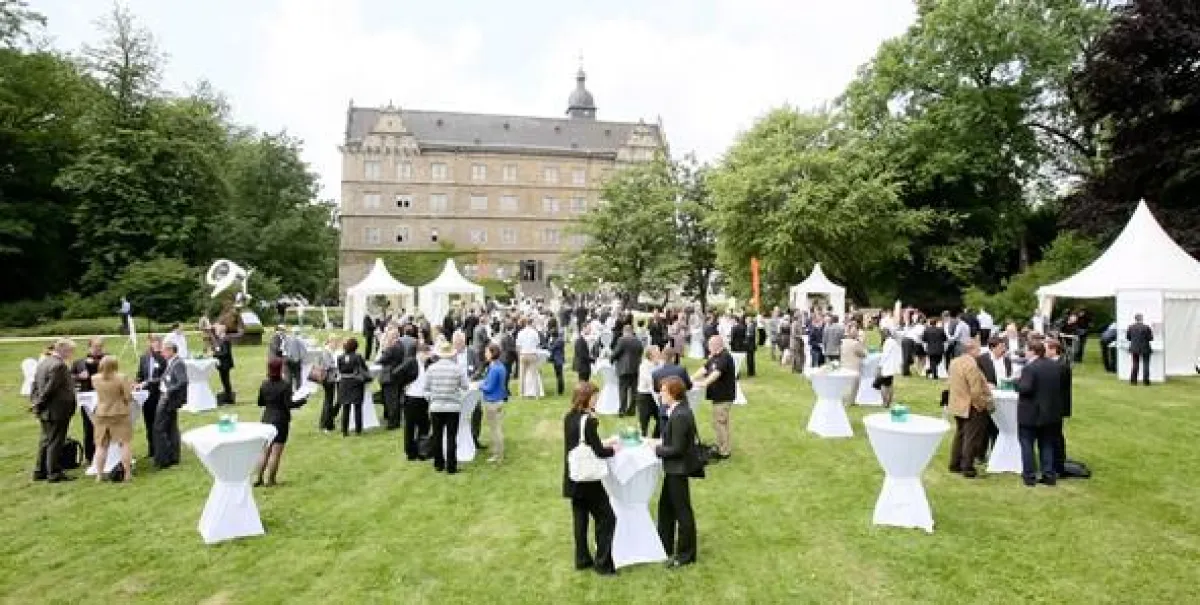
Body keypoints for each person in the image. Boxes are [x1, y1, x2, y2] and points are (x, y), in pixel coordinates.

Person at [562, 382, 619, 575]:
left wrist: (601, 442)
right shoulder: (589, 420)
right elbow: (599, 451)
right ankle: (603, 564)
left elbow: (581, 443)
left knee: (580, 519)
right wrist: (613, 449)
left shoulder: (568, 418)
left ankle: (582, 559)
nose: (597, 400)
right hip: (589, 479)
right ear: (586, 398)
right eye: (595, 397)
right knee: (607, 518)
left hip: (573, 476)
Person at [650, 376, 699, 568]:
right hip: (673, 469)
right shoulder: (677, 411)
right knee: (665, 509)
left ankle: (686, 555)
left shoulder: (679, 415)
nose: (660, 393)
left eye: (663, 390)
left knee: (682, 512)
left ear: (673, 393)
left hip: (678, 470)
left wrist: (656, 449)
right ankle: (665, 545)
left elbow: (677, 449)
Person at [1015, 342, 1064, 486]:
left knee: (1027, 444)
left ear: (1032, 351)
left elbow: (1026, 388)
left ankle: (1029, 476)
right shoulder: (1055, 366)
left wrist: (1016, 383)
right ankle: (1048, 475)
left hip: (1031, 413)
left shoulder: (1030, 368)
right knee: (1046, 444)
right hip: (1050, 413)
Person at [32, 339, 78, 482]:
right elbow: (50, 389)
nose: (71, 354)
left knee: (45, 439)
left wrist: (35, 402)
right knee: (56, 441)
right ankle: (54, 472)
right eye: (70, 351)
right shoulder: (59, 366)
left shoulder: (43, 362)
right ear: (63, 350)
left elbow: (34, 385)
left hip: (46, 409)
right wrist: (39, 403)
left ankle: (40, 471)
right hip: (57, 409)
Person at [947, 340, 992, 478]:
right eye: (977, 349)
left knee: (960, 434)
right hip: (970, 405)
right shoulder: (971, 365)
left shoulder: (954, 362)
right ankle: (967, 467)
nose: (979, 352)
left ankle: (955, 463)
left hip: (957, 403)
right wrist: (981, 405)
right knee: (971, 438)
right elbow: (975, 390)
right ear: (971, 350)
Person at [426, 340, 469, 474]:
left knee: (437, 436)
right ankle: (451, 466)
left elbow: (426, 388)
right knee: (451, 437)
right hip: (452, 407)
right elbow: (465, 386)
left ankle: (438, 464)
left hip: (436, 406)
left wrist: (431, 399)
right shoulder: (457, 369)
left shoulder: (431, 368)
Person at [90, 355, 135, 482]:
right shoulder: (121, 378)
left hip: (102, 413)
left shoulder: (94, 378)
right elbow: (128, 396)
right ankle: (127, 473)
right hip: (119, 413)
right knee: (124, 443)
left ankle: (99, 474)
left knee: (101, 445)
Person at [255, 358, 297, 487]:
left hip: (266, 418)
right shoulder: (285, 385)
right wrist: (301, 401)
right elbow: (289, 404)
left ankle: (259, 478)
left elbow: (260, 403)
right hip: (280, 420)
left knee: (265, 451)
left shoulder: (264, 384)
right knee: (275, 452)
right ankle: (270, 480)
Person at [694, 335, 736, 461]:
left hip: (723, 396)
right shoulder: (715, 357)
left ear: (716, 345)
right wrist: (690, 379)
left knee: (720, 423)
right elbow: (704, 368)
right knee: (720, 422)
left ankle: (724, 451)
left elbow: (716, 374)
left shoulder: (724, 357)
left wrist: (703, 383)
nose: (708, 348)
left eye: (709, 346)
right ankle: (722, 445)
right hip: (719, 396)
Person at [155, 341, 188, 469]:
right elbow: (164, 379)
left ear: (170, 350)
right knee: (171, 428)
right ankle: (172, 456)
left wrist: (169, 391)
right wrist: (147, 382)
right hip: (166, 397)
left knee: (160, 428)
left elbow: (183, 381)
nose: (161, 353)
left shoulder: (178, 363)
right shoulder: (172, 362)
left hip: (168, 399)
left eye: (163, 350)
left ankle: (164, 458)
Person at [72, 338, 105, 464]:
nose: (98, 350)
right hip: (87, 397)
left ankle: (103, 452)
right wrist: (79, 376)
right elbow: (70, 376)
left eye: (100, 347)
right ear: (89, 347)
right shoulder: (79, 362)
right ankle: (90, 455)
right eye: (95, 347)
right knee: (88, 426)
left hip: (103, 396)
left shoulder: (105, 360)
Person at [1045, 339, 1073, 477]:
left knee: (1055, 435)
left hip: (1057, 407)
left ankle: (1058, 464)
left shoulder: (1060, 366)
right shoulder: (1057, 364)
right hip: (1056, 406)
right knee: (1054, 435)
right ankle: (1056, 462)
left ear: (1053, 350)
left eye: (1046, 349)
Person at [135, 335, 166, 459]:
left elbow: (164, 377)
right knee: (148, 423)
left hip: (159, 394)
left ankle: (161, 449)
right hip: (146, 396)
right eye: (154, 342)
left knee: (159, 423)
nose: (156, 345)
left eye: (159, 342)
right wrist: (137, 382)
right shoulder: (144, 358)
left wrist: (148, 382)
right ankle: (151, 449)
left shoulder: (164, 358)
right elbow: (140, 374)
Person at [479, 343, 508, 463]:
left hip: (492, 402)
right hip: (498, 400)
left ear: (492, 353)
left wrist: (480, 385)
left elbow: (489, 387)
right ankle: (497, 452)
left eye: (487, 352)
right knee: (497, 428)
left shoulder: (495, 368)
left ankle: (498, 455)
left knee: (495, 429)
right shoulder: (499, 365)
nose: (485, 354)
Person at [337, 338, 371, 437]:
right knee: (357, 407)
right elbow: (364, 369)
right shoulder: (358, 357)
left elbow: (340, 369)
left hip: (344, 383)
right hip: (356, 383)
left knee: (346, 408)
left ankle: (344, 431)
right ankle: (358, 430)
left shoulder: (340, 357)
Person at [404, 345, 432, 461]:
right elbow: (397, 373)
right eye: (426, 354)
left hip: (423, 399)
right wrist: (405, 384)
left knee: (424, 425)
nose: (427, 357)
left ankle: (422, 450)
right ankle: (410, 452)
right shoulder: (411, 362)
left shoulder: (426, 364)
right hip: (412, 398)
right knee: (410, 426)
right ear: (420, 353)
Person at [610, 325, 644, 418]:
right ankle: (632, 410)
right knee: (634, 391)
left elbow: (616, 352)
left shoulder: (622, 340)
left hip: (624, 369)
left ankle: (622, 410)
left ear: (625, 331)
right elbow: (641, 352)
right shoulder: (638, 341)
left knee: (623, 390)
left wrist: (611, 359)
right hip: (635, 368)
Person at [377, 330, 408, 431]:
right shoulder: (401, 345)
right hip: (397, 376)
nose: (387, 338)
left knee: (391, 401)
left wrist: (384, 348)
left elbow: (381, 360)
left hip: (390, 376)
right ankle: (396, 421)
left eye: (389, 336)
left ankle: (392, 423)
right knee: (396, 400)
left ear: (393, 337)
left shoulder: (392, 348)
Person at [317, 335, 342, 432]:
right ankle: (326, 424)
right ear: (330, 342)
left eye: (336, 342)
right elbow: (328, 365)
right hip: (328, 379)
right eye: (334, 342)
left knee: (329, 401)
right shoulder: (326, 351)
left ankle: (328, 423)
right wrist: (338, 365)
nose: (336, 344)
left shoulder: (330, 351)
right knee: (328, 401)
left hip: (332, 378)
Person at [636, 345, 661, 438]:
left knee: (661, 418)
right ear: (651, 355)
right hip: (644, 397)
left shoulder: (660, 364)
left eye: (659, 352)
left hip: (657, 395)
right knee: (644, 423)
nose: (660, 354)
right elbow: (650, 381)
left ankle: (655, 438)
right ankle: (643, 441)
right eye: (657, 353)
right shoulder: (643, 366)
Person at [839, 324, 867, 406]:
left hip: (844, 365)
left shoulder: (843, 342)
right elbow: (863, 354)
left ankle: (845, 401)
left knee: (845, 386)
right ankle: (850, 402)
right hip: (853, 366)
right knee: (853, 386)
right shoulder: (855, 343)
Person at [516, 318, 542, 398]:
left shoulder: (520, 333)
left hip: (523, 353)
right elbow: (538, 344)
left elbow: (518, 346)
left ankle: (521, 393)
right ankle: (537, 394)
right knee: (534, 374)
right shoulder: (535, 332)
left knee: (522, 375)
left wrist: (519, 354)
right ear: (531, 323)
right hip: (532, 354)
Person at [1126, 313, 1153, 386]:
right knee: (1146, 364)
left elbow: (1128, 337)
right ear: (1141, 319)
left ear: (1135, 319)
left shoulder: (1130, 327)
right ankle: (1146, 381)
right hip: (1145, 347)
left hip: (1134, 347)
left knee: (1135, 364)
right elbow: (1150, 338)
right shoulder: (1146, 327)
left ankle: (1133, 381)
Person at [877, 328, 902, 408]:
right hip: (892, 366)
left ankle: (885, 402)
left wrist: (880, 365)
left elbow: (885, 355)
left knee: (883, 385)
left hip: (887, 366)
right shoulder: (893, 341)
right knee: (890, 384)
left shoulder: (888, 342)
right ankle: (889, 401)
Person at [213, 324, 235, 405]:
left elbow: (225, 352)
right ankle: (227, 397)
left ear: (221, 331)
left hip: (225, 364)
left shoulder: (225, 340)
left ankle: (229, 399)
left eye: (216, 330)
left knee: (226, 381)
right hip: (222, 364)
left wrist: (215, 354)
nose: (216, 332)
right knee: (224, 381)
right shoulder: (220, 339)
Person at [547, 319, 566, 396]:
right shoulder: (559, 340)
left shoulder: (558, 341)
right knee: (559, 375)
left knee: (559, 375)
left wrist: (549, 345)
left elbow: (552, 348)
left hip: (558, 359)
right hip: (558, 358)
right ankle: (560, 389)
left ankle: (560, 391)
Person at [284, 328, 307, 392]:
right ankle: (298, 390)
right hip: (296, 360)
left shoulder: (287, 339)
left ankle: (288, 390)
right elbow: (303, 351)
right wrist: (302, 359)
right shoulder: (300, 339)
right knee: (298, 376)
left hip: (288, 359)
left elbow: (284, 349)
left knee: (289, 376)